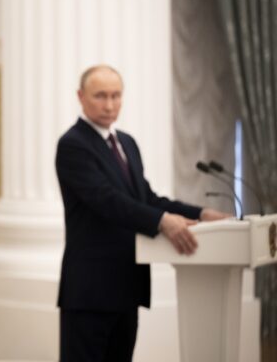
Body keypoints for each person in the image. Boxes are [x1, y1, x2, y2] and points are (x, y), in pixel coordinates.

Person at [55, 64, 229, 361]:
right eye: (100, 96)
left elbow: (146, 198)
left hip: (127, 284)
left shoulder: (126, 143)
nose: (109, 105)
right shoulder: (73, 144)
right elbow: (106, 200)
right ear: (81, 97)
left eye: (116, 96)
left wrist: (201, 213)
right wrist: (162, 222)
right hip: (90, 290)